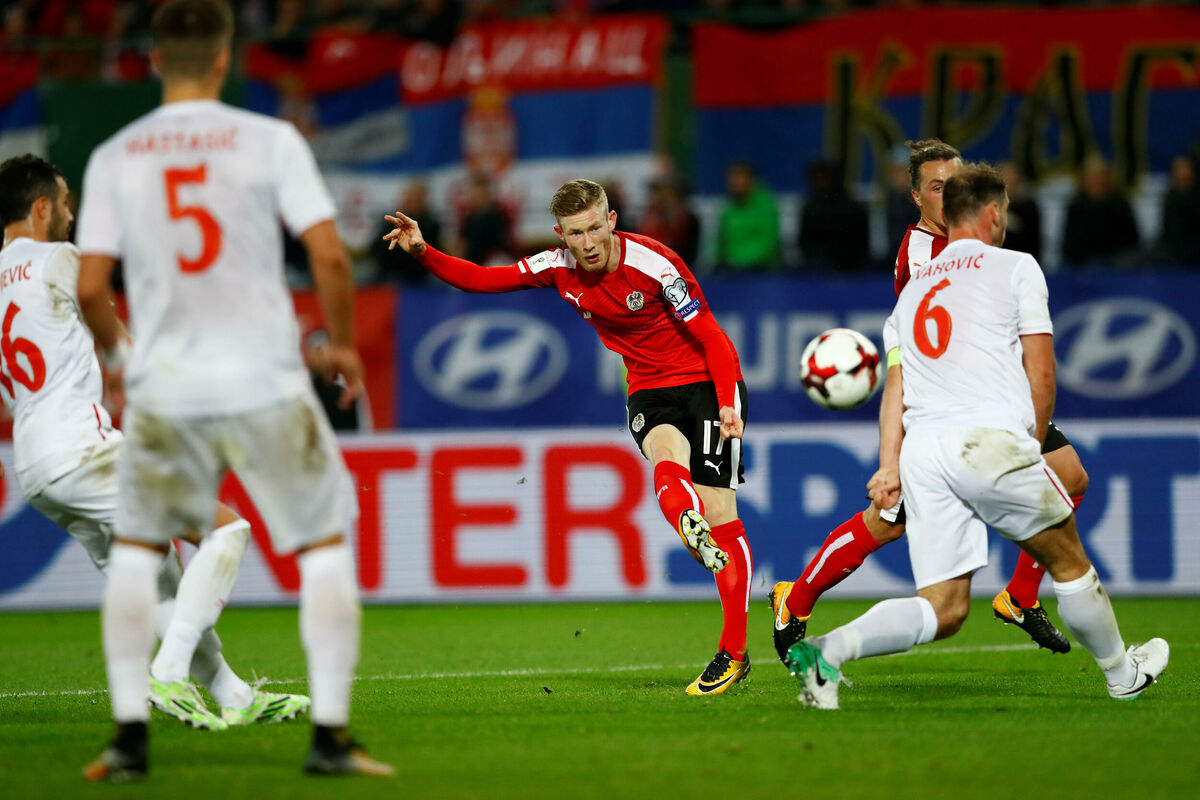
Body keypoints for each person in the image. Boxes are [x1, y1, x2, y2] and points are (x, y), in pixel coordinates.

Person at [73, 0, 391, 780]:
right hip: (264, 378)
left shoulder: (114, 155)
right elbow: (330, 255)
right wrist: (344, 343)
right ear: (224, 59)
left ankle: (128, 740)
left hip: (166, 386)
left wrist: (117, 355)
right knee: (321, 549)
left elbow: (89, 287)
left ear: (155, 60)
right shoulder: (269, 140)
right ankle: (330, 738)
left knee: (139, 551)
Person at [784, 163, 1168, 709]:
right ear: (991, 212)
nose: (1005, 219)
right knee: (1069, 562)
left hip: (923, 451)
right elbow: (1042, 370)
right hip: (988, 440)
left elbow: (896, 387)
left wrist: (889, 464)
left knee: (943, 607)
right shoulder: (1016, 267)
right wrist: (1032, 441)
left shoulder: (912, 293)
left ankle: (830, 649)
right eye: (1005, 210)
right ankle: (1122, 675)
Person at [384, 178, 756, 696]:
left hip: (708, 384)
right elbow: (483, 280)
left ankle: (733, 652)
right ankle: (685, 520)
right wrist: (424, 251)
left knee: (721, 516)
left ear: (612, 221)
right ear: (561, 234)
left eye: (595, 228)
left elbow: (712, 335)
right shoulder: (557, 266)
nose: (588, 243)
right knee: (663, 453)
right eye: (576, 233)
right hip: (647, 389)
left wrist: (728, 402)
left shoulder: (655, 265)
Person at [0, 154, 309, 733]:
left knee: (158, 576)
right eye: (63, 202)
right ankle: (167, 675)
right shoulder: (58, 258)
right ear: (40, 208)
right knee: (226, 531)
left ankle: (234, 695)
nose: (70, 214)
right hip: (81, 447)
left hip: (35, 467)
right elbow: (117, 338)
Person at [770, 139, 1090, 664]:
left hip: (994, 395)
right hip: (942, 399)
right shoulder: (922, 256)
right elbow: (926, 341)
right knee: (888, 519)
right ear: (917, 197)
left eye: (954, 185)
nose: (948, 195)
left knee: (1071, 476)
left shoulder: (972, 242)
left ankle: (1019, 596)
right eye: (936, 188)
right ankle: (797, 597)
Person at [1061, 155, 1141, 268]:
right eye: (1093, 178)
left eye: (1101, 177)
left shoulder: (1120, 204)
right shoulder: (1076, 207)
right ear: (1084, 181)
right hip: (1083, 262)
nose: (1098, 182)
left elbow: (1132, 240)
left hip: (1117, 260)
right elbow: (1070, 244)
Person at [798, 159, 869, 272]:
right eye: (818, 179)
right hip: (816, 269)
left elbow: (862, 247)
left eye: (824, 179)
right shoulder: (810, 208)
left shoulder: (853, 208)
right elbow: (804, 243)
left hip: (851, 269)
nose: (821, 183)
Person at [715, 160, 781, 271]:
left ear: (752, 180)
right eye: (732, 178)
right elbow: (721, 244)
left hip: (762, 270)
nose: (734, 182)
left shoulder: (766, 206)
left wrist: (738, 262)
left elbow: (768, 245)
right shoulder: (728, 209)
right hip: (731, 270)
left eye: (739, 177)